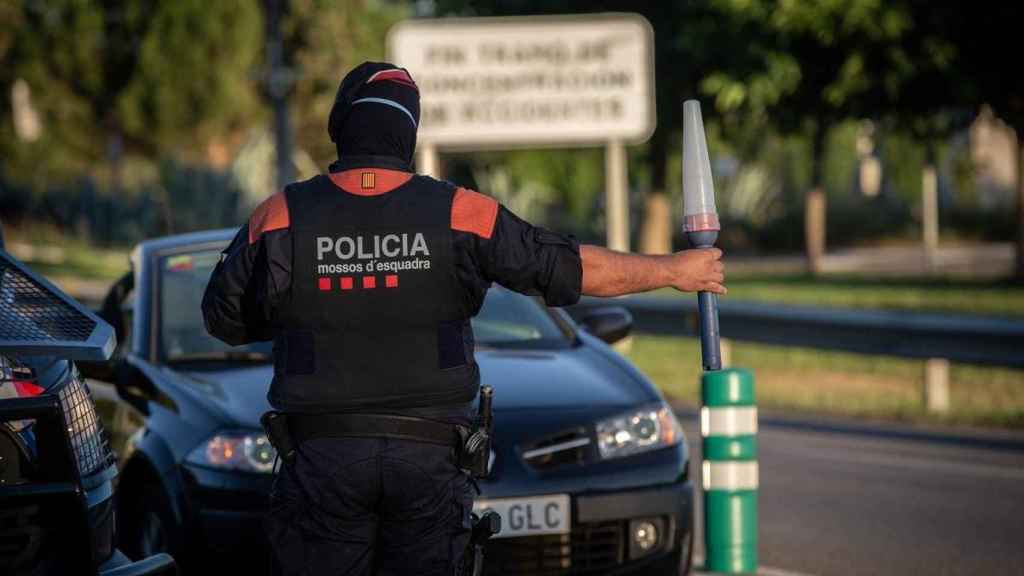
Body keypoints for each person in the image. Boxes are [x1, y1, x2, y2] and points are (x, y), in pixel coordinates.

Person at [201, 61, 725, 576]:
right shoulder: (461, 212)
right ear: (407, 131)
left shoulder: (282, 214)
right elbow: (573, 269)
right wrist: (675, 269)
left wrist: (306, 307)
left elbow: (222, 316)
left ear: (342, 127)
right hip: (430, 461)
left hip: (320, 461)